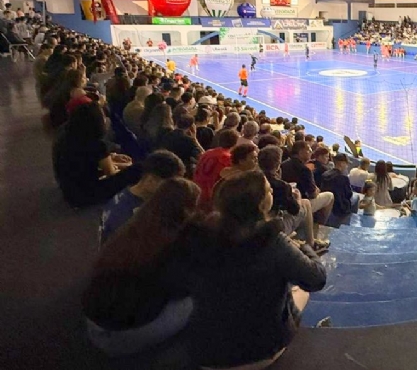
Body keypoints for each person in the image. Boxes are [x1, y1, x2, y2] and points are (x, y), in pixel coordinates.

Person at [171, 171, 327, 369]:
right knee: (299, 290)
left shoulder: (199, 233)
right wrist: (305, 247)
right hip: (257, 352)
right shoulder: (271, 241)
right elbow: (317, 279)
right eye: (269, 191)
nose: (272, 193)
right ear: (262, 204)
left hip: (203, 349)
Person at [83, 178, 200, 356]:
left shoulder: (133, 227)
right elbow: (181, 289)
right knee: (198, 296)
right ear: (185, 210)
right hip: (119, 338)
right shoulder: (171, 245)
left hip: (94, 321)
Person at [53, 102, 140, 208]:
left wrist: (111, 158)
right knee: (136, 170)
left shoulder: (66, 134)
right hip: (86, 195)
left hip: (69, 190)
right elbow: (111, 173)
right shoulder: (96, 144)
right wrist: (128, 166)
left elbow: (87, 162)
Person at [99, 150, 186, 245]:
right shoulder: (128, 216)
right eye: (169, 185)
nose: (173, 190)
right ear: (151, 181)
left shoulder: (126, 195)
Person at [280, 140, 334, 225]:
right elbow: (312, 194)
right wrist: (316, 190)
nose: (311, 152)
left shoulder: (283, 164)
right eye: (308, 150)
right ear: (301, 153)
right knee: (330, 196)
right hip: (300, 202)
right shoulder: (304, 170)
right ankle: (319, 225)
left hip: (285, 202)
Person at [193, 129, 239, 210]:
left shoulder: (208, 152)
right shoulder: (227, 158)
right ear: (235, 143)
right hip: (210, 197)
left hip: (197, 190)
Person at [320, 153, 360, 220]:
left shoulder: (325, 174)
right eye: (346, 164)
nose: (347, 166)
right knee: (356, 197)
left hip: (327, 203)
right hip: (339, 206)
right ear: (341, 163)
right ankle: (349, 219)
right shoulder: (343, 178)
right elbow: (349, 194)